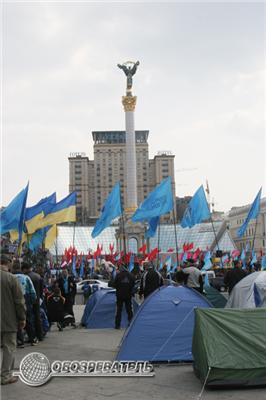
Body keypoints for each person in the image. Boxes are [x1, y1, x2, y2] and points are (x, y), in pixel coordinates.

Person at [0, 254, 26, 385]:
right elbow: (19, 302)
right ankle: (5, 376)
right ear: (8, 263)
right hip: (8, 320)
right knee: (9, 347)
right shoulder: (11, 279)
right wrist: (22, 318)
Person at [12, 261, 37, 347]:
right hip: (26, 300)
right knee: (28, 320)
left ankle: (20, 341)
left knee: (16, 320)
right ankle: (32, 339)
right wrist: (32, 302)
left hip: (13, 300)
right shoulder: (26, 278)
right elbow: (33, 292)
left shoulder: (10, 277)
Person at [21, 262, 44, 342]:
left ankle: (32, 336)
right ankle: (40, 335)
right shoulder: (38, 276)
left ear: (25, 269)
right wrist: (40, 298)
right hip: (37, 300)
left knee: (29, 318)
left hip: (29, 300)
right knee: (37, 317)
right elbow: (42, 290)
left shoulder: (25, 277)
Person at [112, 264, 135, 329]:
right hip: (128, 295)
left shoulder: (118, 275)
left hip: (119, 296)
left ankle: (117, 325)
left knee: (119, 310)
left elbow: (114, 285)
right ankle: (131, 324)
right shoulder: (131, 276)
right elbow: (133, 285)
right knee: (129, 310)